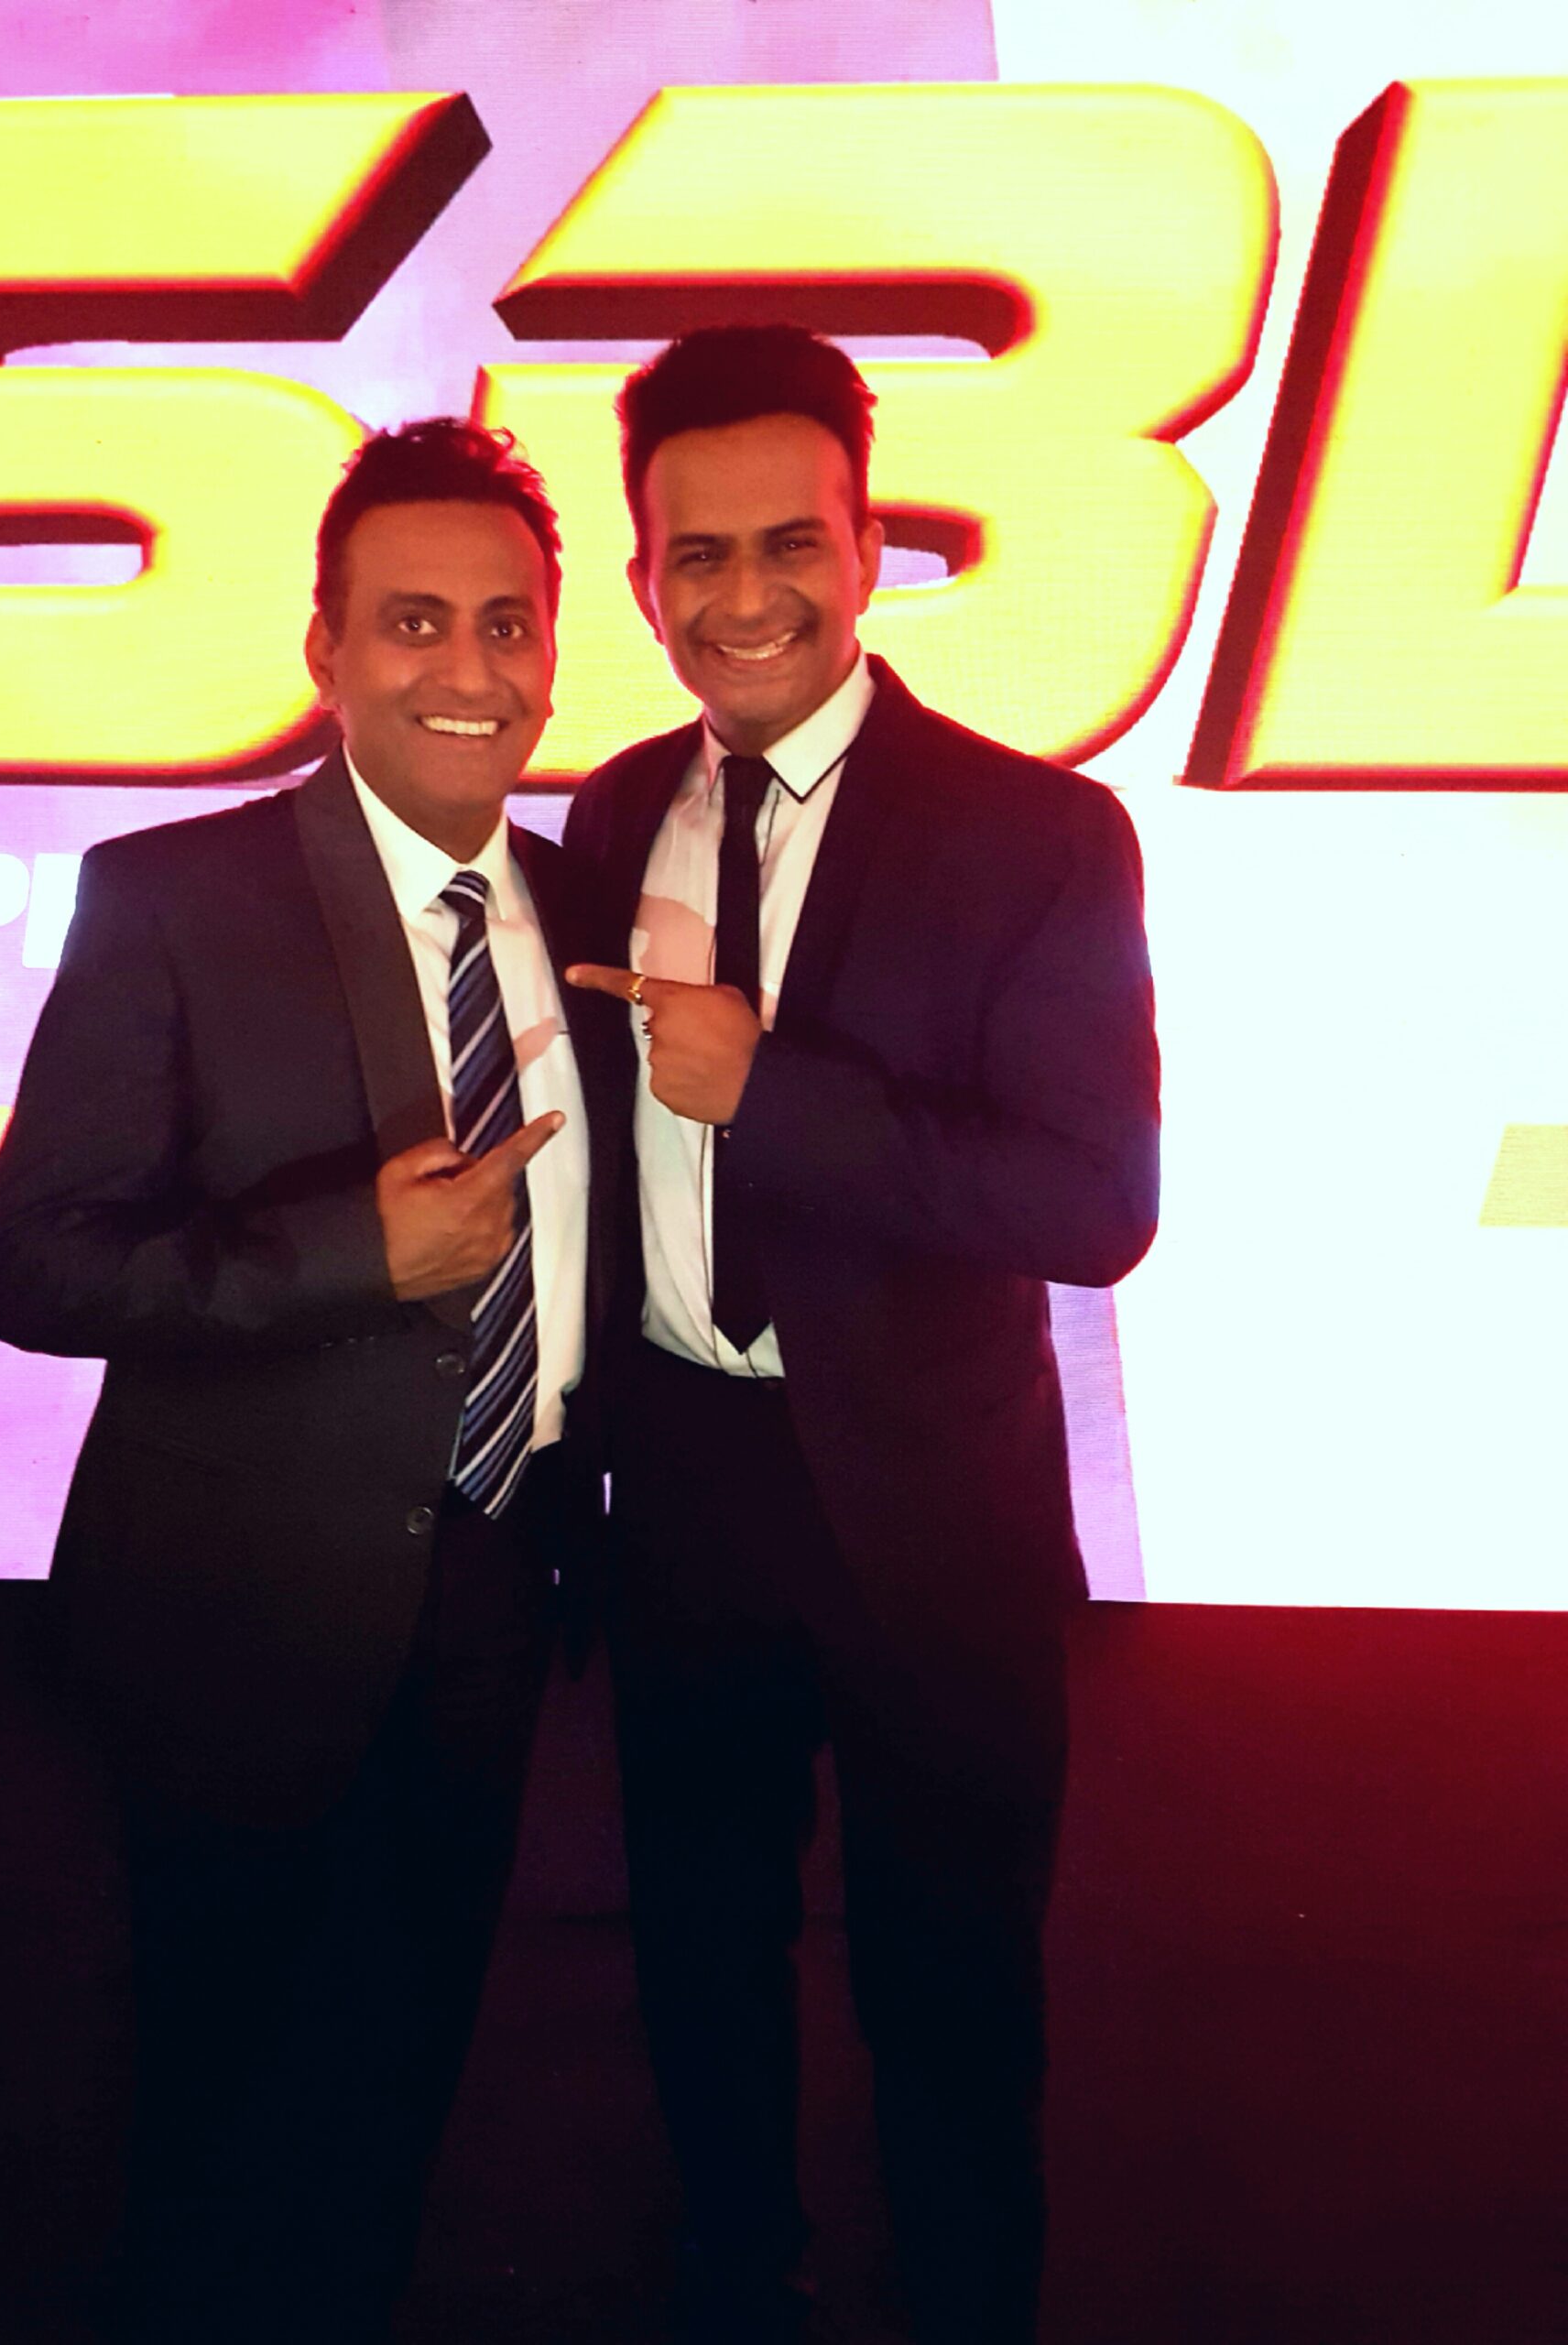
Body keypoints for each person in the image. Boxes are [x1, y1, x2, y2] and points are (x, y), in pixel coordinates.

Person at [0, 419, 616, 2345]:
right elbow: (30, 1264)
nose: (468, 668)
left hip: (497, 1586)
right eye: (413, 621)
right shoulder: (171, 896)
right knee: (209, 2100)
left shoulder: (593, 913)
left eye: (507, 622)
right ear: (325, 647)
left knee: (412, 2080)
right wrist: (349, 1252)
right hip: (232, 1613)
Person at [563, 325, 1160, 2345]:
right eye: (697, 554)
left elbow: (1096, 1203)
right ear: (643, 577)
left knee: (951, 1972)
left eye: (789, 543)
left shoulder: (1036, 834)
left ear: (871, 545)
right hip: (683, 1490)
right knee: (697, 1944)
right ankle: (739, 2277)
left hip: (929, 1502)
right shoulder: (614, 810)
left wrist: (776, 1091)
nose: (745, 597)